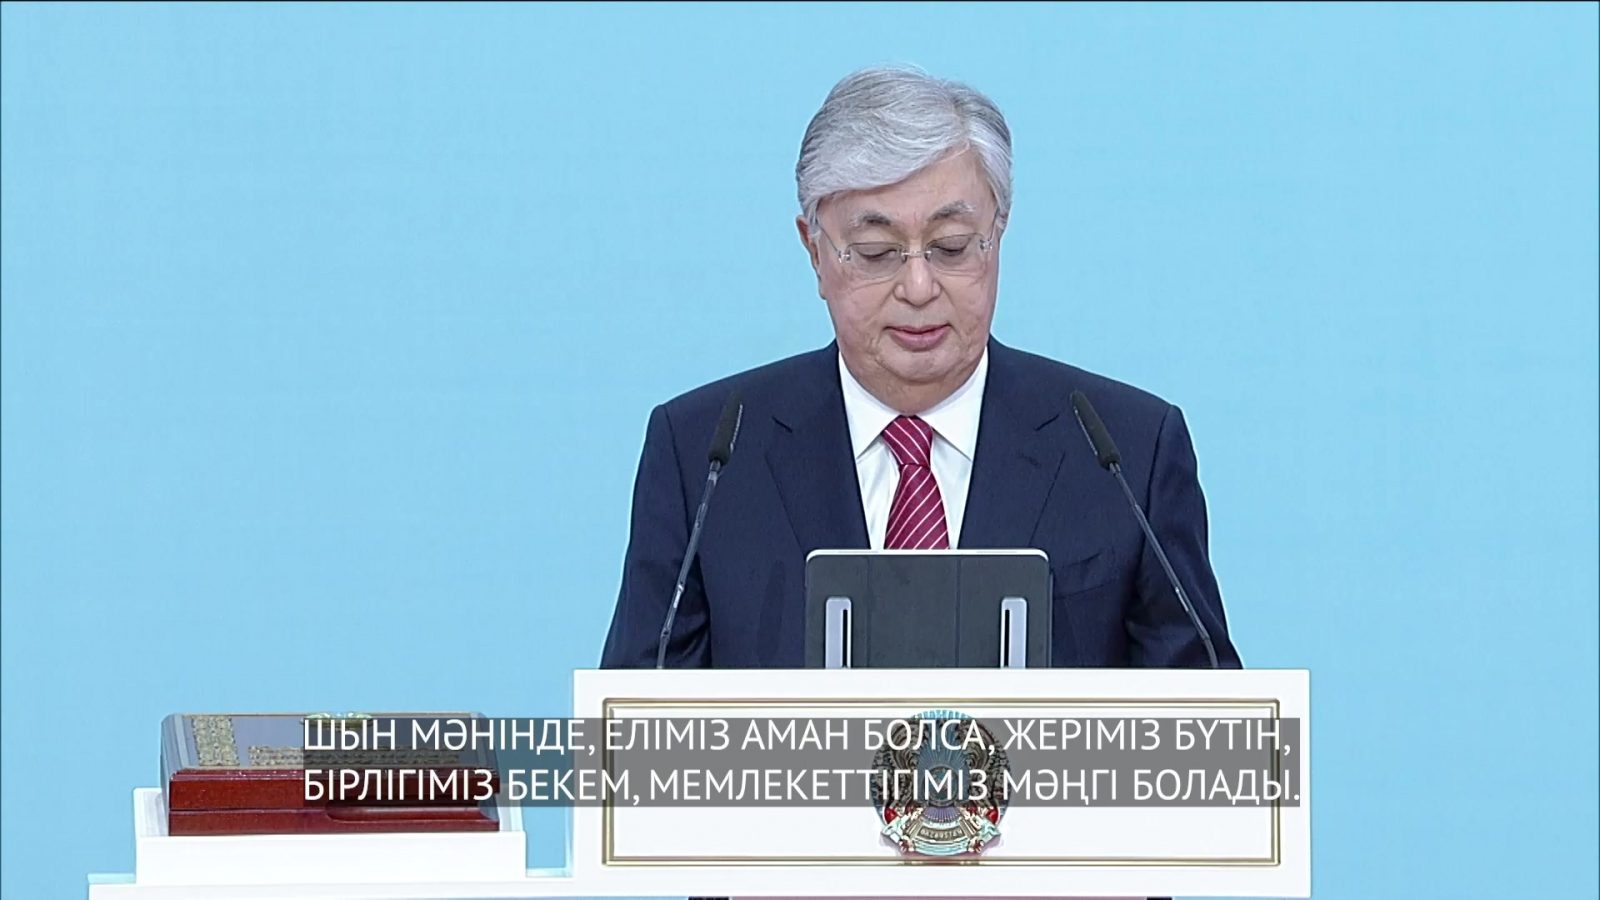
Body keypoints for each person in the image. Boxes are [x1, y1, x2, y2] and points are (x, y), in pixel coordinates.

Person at [600, 65, 1240, 669]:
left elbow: (1209, 727)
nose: (918, 287)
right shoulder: (707, 457)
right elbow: (635, 729)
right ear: (815, 251)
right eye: (876, 252)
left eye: (951, 247)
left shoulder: (1127, 453)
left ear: (998, 233)